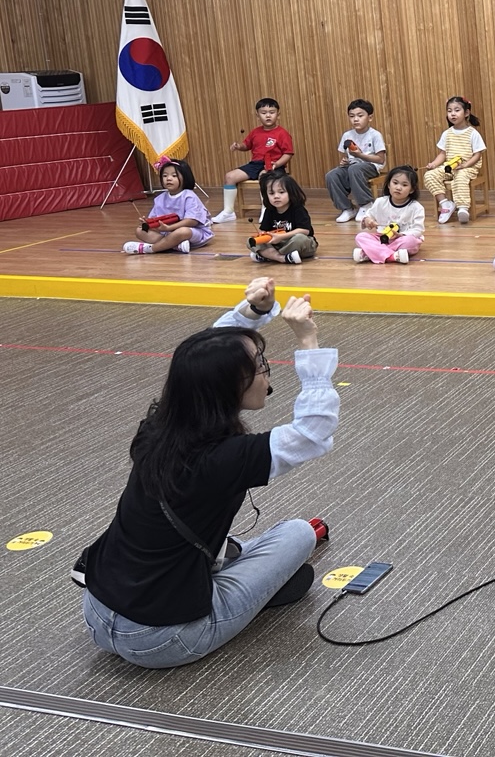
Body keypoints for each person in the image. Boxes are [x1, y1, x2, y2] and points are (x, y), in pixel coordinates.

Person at [77, 277, 335, 669]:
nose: (267, 373)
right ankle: (250, 592)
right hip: (163, 640)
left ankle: (235, 570)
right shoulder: (225, 458)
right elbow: (313, 431)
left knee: (216, 543)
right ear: (229, 386)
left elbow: (201, 358)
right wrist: (307, 339)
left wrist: (253, 311)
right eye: (260, 365)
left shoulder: (158, 426)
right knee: (298, 533)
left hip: (97, 613)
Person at [214, 98, 293, 224]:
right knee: (230, 177)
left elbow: (288, 153)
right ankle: (228, 212)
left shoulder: (282, 133)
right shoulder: (255, 132)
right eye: (264, 113)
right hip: (255, 164)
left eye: (272, 112)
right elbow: (247, 145)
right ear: (257, 115)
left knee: (264, 176)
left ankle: (266, 209)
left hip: (274, 165)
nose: (268, 115)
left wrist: (277, 163)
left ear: (278, 114)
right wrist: (239, 146)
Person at [124, 158, 212, 255]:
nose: (168, 178)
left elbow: (192, 221)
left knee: (182, 231)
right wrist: (148, 223)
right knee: (140, 230)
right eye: (165, 176)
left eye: (174, 175)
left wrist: (169, 228)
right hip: (167, 232)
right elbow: (156, 219)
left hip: (193, 232)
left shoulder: (189, 196)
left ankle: (150, 249)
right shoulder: (160, 199)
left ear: (185, 177)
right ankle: (175, 245)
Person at [422, 96, 485, 225]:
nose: (452, 114)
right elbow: (443, 153)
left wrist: (465, 165)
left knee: (460, 177)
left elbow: (477, 155)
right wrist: (434, 164)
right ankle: (445, 203)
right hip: (449, 167)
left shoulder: (473, 133)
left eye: (457, 110)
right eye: (449, 111)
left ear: (466, 113)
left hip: (468, 168)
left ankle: (463, 208)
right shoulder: (447, 133)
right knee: (429, 175)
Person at [327, 98, 386, 223]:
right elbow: (345, 156)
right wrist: (344, 162)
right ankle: (347, 208)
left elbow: (380, 159)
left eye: (360, 115)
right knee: (332, 175)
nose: (355, 119)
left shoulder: (375, 135)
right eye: (352, 116)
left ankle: (366, 204)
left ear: (370, 117)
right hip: (352, 167)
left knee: (354, 169)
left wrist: (361, 156)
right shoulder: (347, 135)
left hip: (370, 166)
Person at [355, 165, 425, 264]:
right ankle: (392, 256)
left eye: (404, 185)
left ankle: (370, 253)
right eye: (395, 183)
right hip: (381, 238)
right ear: (388, 185)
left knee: (411, 242)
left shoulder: (416, 207)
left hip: (401, 239)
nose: (398, 188)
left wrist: (401, 235)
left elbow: (418, 230)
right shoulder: (380, 202)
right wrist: (368, 221)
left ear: (412, 189)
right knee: (360, 237)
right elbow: (368, 216)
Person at [249, 173, 316, 264]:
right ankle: (282, 258)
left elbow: (305, 231)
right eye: (271, 193)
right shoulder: (269, 210)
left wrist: (281, 237)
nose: (276, 196)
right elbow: (264, 230)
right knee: (251, 240)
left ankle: (268, 256)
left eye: (281, 192)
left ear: (290, 193)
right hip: (277, 244)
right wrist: (262, 235)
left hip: (296, 243)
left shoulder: (298, 209)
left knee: (300, 239)